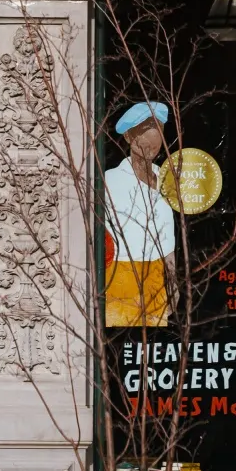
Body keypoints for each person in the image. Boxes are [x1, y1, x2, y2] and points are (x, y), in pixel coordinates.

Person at [104, 100, 178, 328]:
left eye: (157, 136)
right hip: (120, 276)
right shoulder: (109, 181)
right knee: (123, 347)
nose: (151, 143)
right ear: (128, 137)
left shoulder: (167, 179)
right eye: (143, 133)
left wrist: (172, 282)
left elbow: (167, 235)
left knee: (152, 348)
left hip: (156, 278)